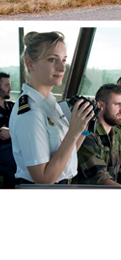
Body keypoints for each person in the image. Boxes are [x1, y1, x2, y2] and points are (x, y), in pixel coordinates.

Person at [9, 32, 94, 185]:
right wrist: (73, 131)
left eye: (63, 60)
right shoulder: (30, 113)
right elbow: (43, 180)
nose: (62, 68)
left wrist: (84, 124)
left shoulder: (51, 104)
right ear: (30, 64)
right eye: (52, 60)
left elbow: (68, 151)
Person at [75, 84, 121, 186]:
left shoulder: (117, 131)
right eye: (117, 104)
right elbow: (100, 178)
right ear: (100, 106)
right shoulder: (86, 133)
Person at [0, 72, 16, 177]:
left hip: (16, 145)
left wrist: (12, 132)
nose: (10, 89)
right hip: (3, 149)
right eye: (6, 85)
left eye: (10, 85)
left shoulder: (13, 106)